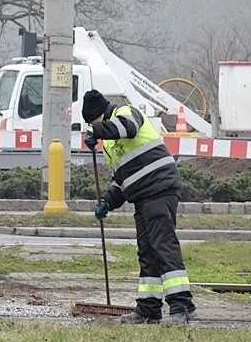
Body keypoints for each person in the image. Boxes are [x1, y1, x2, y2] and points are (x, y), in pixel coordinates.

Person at [82, 89, 196, 325]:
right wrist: (107, 201)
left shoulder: (125, 112)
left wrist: (99, 130)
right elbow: (122, 180)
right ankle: (148, 308)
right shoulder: (110, 145)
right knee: (147, 251)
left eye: (93, 123)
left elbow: (128, 127)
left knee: (163, 245)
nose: (94, 130)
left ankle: (182, 306)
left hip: (159, 188)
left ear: (100, 115)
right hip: (143, 196)